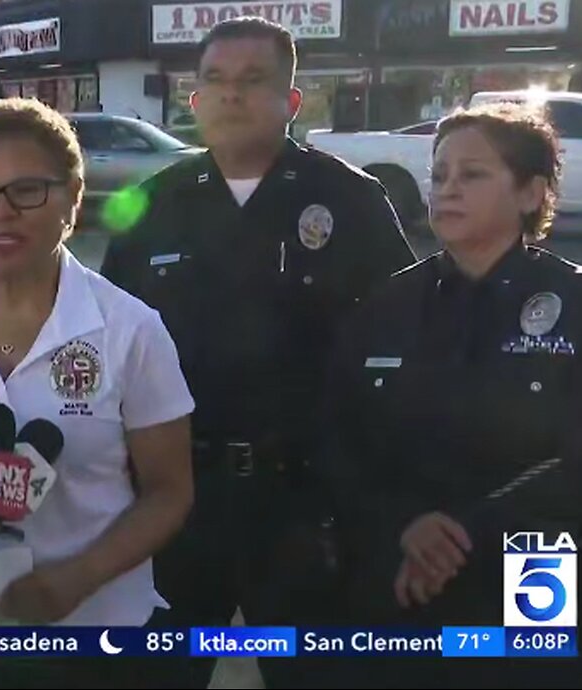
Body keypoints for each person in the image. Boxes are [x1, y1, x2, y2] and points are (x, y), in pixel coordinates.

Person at [98, 17, 415, 689]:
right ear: (194, 98)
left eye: (252, 80)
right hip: (177, 502)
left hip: (306, 504)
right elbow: (111, 349)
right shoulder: (153, 204)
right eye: (214, 80)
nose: (231, 95)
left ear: (291, 100)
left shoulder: (350, 202)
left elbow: (402, 350)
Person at [322, 102, 582, 689]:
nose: (447, 188)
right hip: (406, 562)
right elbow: (341, 436)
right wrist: (405, 526)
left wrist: (462, 535)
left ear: (530, 193)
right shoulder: (388, 305)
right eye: (439, 174)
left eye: (472, 174)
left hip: (536, 564)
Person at [0, 97, 194, 688]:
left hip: (95, 639)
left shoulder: (130, 329)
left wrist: (73, 580)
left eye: (26, 190)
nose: (1, 213)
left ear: (73, 197)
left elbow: (170, 492)